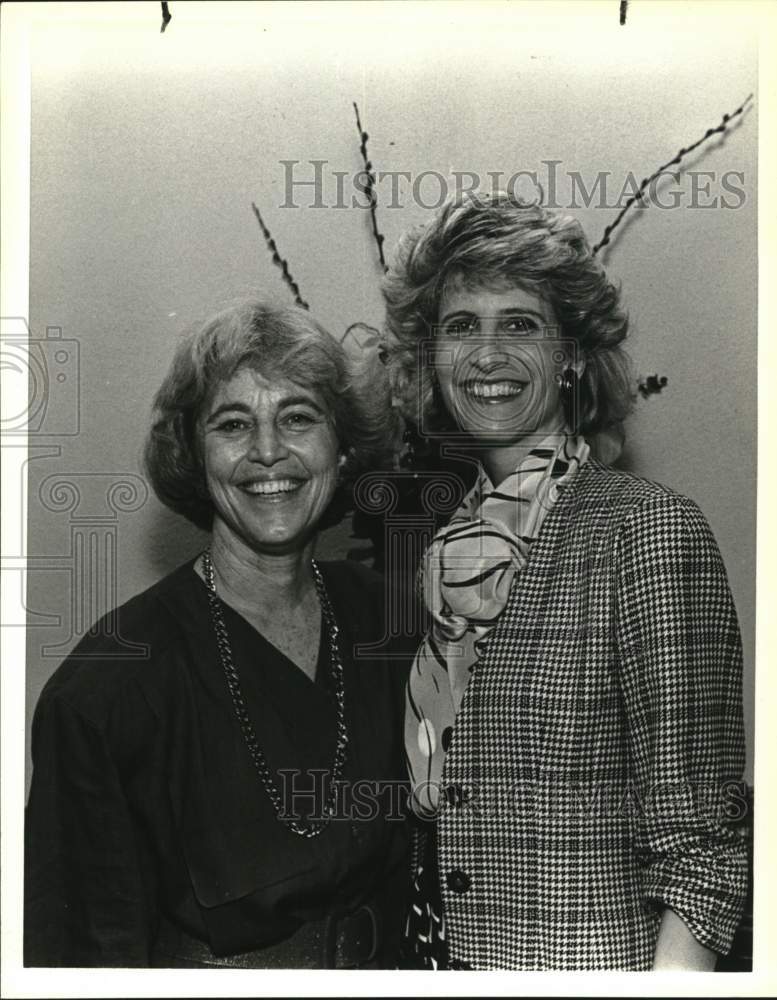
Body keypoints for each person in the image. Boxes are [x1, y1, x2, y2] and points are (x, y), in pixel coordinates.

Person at [382, 191, 748, 971]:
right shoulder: (444, 556)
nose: (486, 355)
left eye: (519, 323)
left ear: (571, 354)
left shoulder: (645, 530)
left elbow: (699, 847)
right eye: (459, 327)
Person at [24, 299, 409, 968]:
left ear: (342, 448)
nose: (267, 451)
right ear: (194, 455)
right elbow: (83, 954)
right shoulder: (108, 686)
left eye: (297, 417)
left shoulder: (391, 624)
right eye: (233, 423)